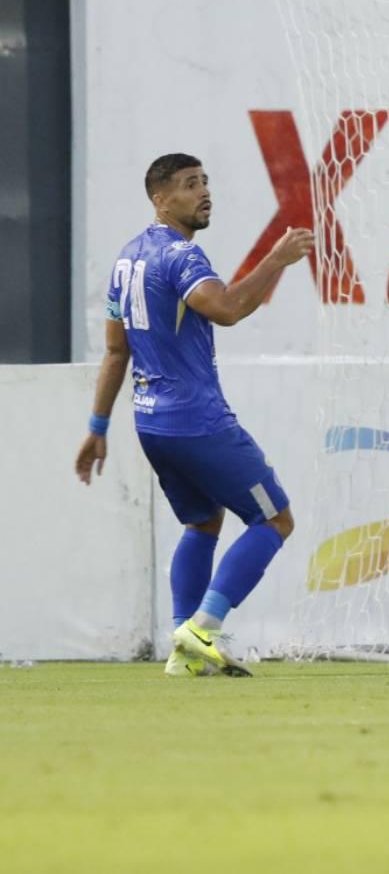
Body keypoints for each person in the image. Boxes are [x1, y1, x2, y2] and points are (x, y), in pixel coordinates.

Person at [75, 153, 314, 677]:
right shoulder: (181, 258)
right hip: (197, 420)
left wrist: (98, 428)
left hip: (152, 424)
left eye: (205, 182)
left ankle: (184, 654)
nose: (204, 192)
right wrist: (275, 259)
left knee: (203, 520)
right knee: (274, 518)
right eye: (189, 185)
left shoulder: (127, 258)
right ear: (161, 199)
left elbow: (117, 351)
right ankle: (203, 627)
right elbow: (225, 309)